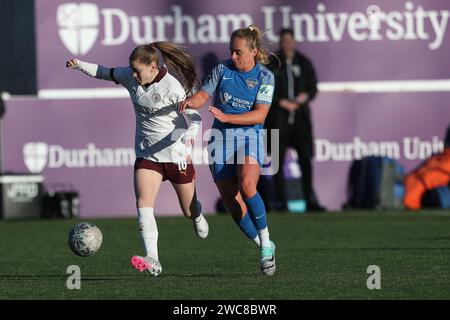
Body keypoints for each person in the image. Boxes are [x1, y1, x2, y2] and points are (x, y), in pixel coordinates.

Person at [66, 41, 209, 276]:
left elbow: (194, 119)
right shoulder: (131, 77)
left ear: (153, 67)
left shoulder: (172, 87)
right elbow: (104, 72)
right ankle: (153, 258)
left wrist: (188, 139)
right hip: (148, 154)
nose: (133, 74)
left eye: (138, 70)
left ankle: (197, 215)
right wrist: (80, 64)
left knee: (188, 210)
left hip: (175, 155)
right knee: (143, 204)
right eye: (131, 69)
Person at [179, 25, 276, 276]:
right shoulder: (222, 69)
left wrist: (227, 117)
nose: (233, 57)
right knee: (233, 206)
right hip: (219, 140)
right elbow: (202, 96)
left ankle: (266, 241)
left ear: (253, 51)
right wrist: (190, 101)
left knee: (247, 184)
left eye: (238, 52)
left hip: (249, 136)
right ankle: (263, 247)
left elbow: (260, 114)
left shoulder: (265, 77)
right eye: (231, 51)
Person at [266, 28, 326, 212]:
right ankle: (281, 202)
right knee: (277, 160)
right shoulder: (272, 63)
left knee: (305, 159)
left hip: (300, 118)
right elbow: (265, 88)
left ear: (294, 42)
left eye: (289, 40)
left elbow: (313, 87)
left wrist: (302, 98)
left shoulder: (304, 62)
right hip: (278, 118)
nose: (286, 44)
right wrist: (280, 101)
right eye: (283, 41)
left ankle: (310, 200)